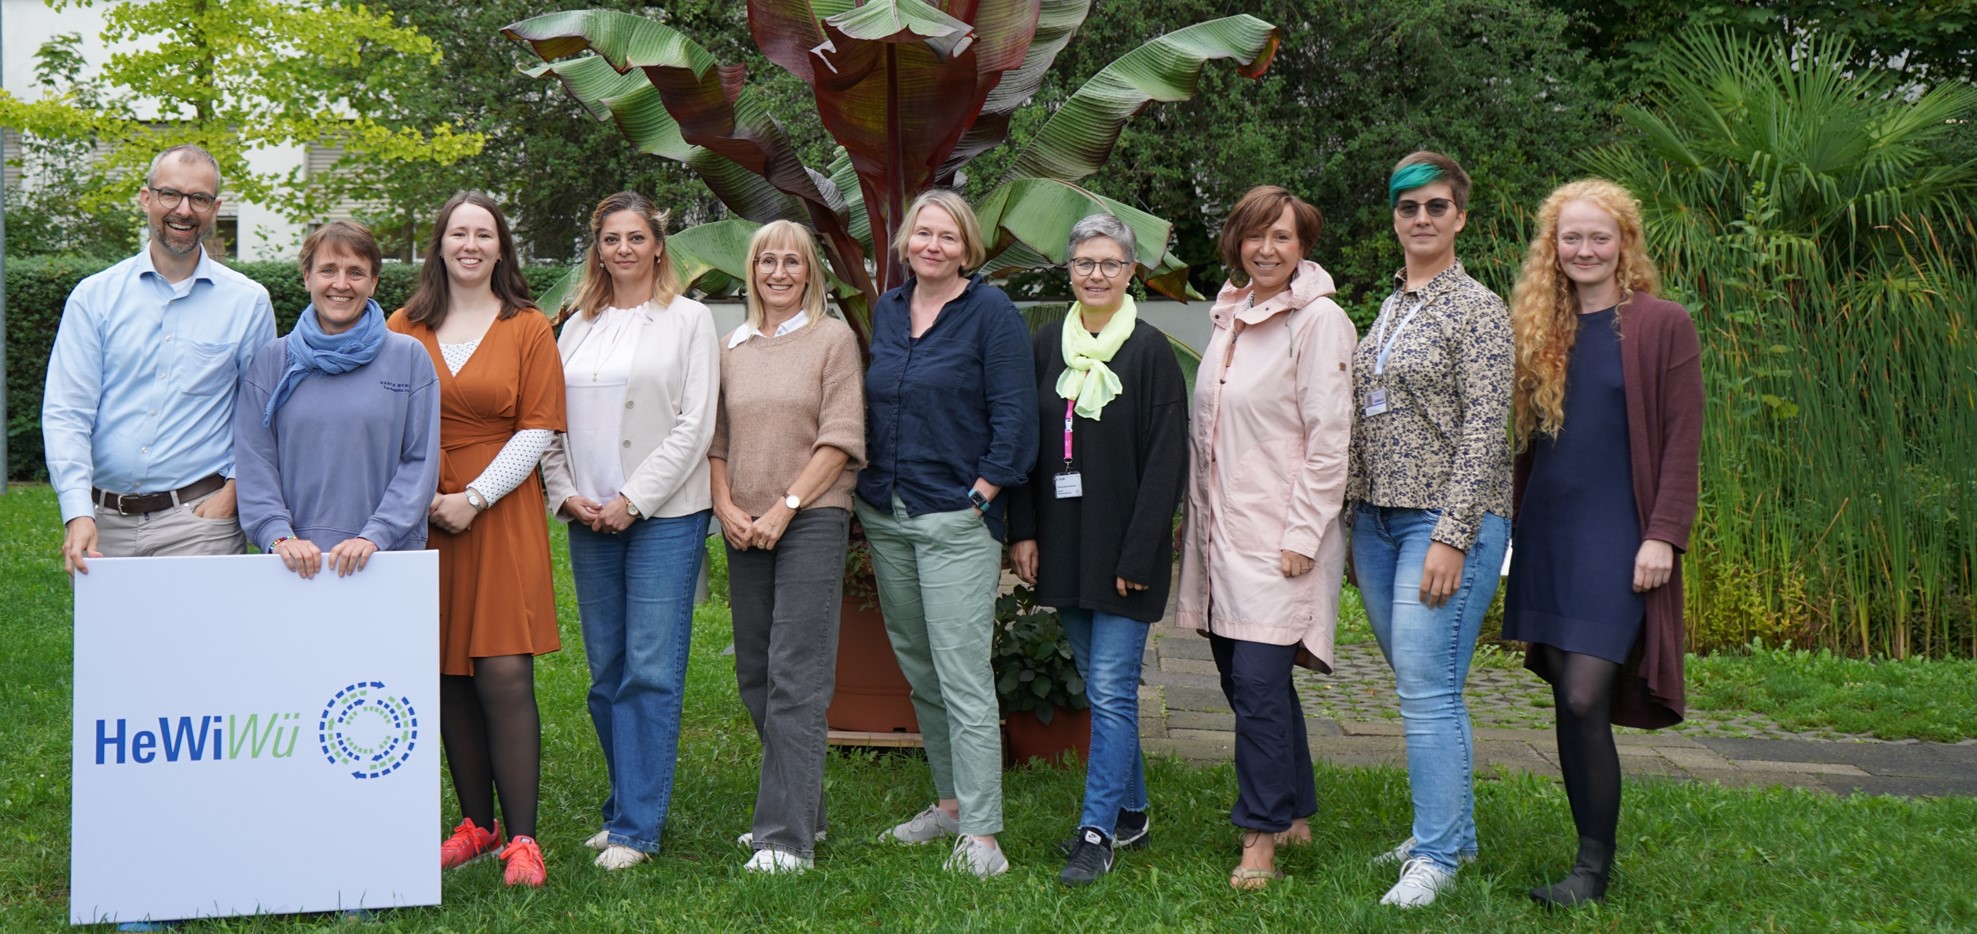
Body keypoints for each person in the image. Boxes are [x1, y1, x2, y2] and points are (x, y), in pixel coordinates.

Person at [1504, 179, 1703, 907]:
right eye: (1571, 237)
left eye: (1599, 237)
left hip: (1619, 535)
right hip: (1548, 531)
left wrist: (1664, 536)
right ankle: (1585, 860)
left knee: (1587, 691)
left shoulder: (1660, 324)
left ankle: (1593, 868)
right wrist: (1509, 533)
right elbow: (1526, 448)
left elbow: (1682, 439)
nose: (1584, 250)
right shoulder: (1539, 326)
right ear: (1552, 247)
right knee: (1569, 695)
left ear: (1624, 243)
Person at [1175, 186, 1357, 891]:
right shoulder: (1230, 314)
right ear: (1236, 242)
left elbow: (1329, 440)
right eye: (1255, 235)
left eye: (1282, 236)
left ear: (1303, 245)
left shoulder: (1319, 321)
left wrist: (1304, 534)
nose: (1267, 248)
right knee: (1250, 683)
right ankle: (1295, 809)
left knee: (1255, 687)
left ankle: (1259, 840)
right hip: (1221, 536)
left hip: (1280, 540)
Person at [1347, 151, 1514, 908]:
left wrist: (1452, 534)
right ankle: (1454, 836)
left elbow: (1486, 428)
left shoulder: (1477, 308)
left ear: (1459, 217)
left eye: (1435, 206)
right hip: (1378, 522)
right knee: (1428, 686)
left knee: (1426, 693)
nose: (1421, 218)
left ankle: (1436, 857)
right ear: (1394, 217)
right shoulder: (1390, 306)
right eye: (1407, 206)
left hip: (1442, 524)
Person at [857, 189, 1037, 878]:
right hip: (888, 514)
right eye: (923, 233)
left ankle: (984, 838)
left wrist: (982, 494)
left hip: (956, 521)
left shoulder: (991, 314)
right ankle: (952, 806)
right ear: (907, 241)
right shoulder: (890, 308)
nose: (933, 246)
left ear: (967, 249)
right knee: (921, 669)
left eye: (948, 236)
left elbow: (1015, 416)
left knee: (962, 676)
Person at [388, 192, 566, 888]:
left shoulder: (528, 325)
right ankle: (475, 825)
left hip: (498, 512)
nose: (470, 244)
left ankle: (522, 838)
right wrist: (421, 499)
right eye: (457, 233)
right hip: (423, 513)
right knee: (445, 672)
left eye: (483, 234)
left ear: (500, 248)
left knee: (502, 671)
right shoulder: (404, 325)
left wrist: (475, 497)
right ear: (439, 244)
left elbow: (538, 426)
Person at [1007, 214, 1188, 887]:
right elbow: (1026, 446)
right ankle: (1131, 813)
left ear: (1130, 272)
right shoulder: (1045, 344)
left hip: (1124, 554)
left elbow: (1166, 465)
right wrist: (1023, 530)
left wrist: (1138, 556)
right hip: (1063, 543)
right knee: (1100, 684)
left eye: (1110, 263)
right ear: (1069, 269)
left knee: (1110, 690)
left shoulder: (1149, 352)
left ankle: (1095, 832)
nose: (1096, 274)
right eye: (1085, 262)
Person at [540, 191, 719, 872]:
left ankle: (637, 829)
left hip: (663, 517)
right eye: (610, 238)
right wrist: (565, 494)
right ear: (597, 248)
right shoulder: (576, 326)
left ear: (657, 246)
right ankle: (623, 808)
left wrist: (633, 500)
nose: (623, 249)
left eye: (635, 237)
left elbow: (695, 426)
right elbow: (549, 422)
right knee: (605, 673)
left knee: (648, 671)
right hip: (588, 517)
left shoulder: (689, 320)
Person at [707, 219, 864, 874]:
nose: (778, 272)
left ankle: (783, 839)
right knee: (755, 675)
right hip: (743, 523)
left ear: (810, 273)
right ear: (751, 272)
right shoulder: (732, 347)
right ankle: (806, 812)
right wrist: (724, 506)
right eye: (766, 260)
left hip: (811, 518)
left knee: (796, 675)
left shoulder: (832, 340)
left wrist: (785, 507)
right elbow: (716, 441)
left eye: (792, 261)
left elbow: (841, 438)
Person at [43, 144, 274, 576]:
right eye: (170, 194)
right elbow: (67, 412)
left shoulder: (248, 302)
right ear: (146, 198)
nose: (183, 210)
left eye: (199, 198)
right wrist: (77, 512)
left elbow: (262, 413)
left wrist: (232, 493)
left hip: (200, 524)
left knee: (203, 627)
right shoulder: (94, 297)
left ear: (215, 208)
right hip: (102, 526)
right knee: (111, 628)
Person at [234, 221, 440, 578]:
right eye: (328, 270)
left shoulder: (408, 357)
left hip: (385, 558)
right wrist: (278, 536)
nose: (341, 284)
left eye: (355, 272)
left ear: (373, 282)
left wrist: (376, 535)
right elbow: (255, 460)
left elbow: (419, 462)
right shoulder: (272, 361)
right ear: (307, 277)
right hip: (293, 563)